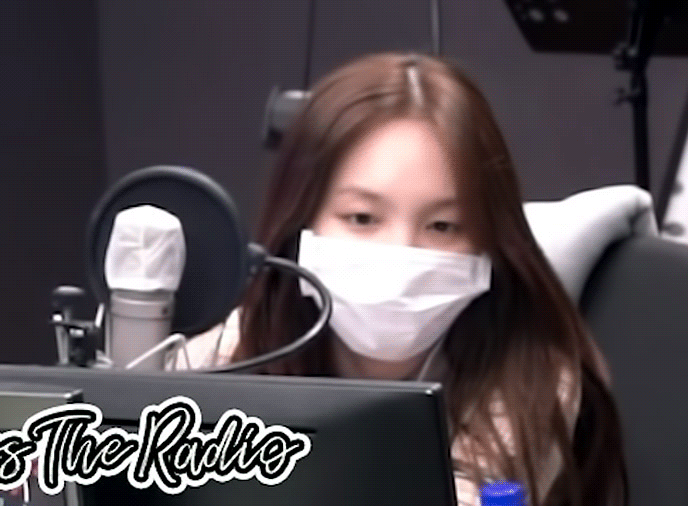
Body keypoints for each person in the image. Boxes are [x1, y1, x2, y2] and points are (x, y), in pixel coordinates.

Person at [177, 52, 627, 506]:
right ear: (300, 223)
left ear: (489, 243)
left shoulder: (530, 381)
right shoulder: (230, 352)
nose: (401, 252)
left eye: (443, 226)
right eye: (362, 218)